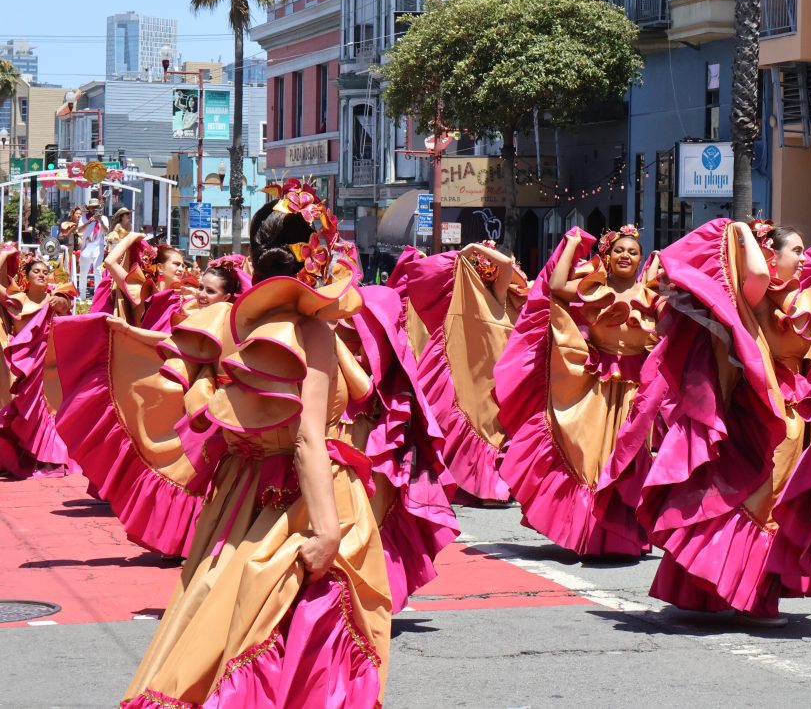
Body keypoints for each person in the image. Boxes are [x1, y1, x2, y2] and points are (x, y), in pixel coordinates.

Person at [51, 178, 451, 706]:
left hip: (241, 493)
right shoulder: (308, 332)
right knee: (304, 643)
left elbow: (208, 407)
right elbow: (311, 437)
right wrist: (329, 529)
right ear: (316, 256)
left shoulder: (232, 324)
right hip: (310, 495)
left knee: (219, 624)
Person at [632, 219, 811, 620]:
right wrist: (743, 227)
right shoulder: (757, 297)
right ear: (771, 258)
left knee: (765, 502)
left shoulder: (804, 301)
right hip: (763, 411)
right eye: (795, 250)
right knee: (759, 502)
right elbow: (758, 273)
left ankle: (727, 591)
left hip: (792, 413)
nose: (803, 256)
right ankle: (752, 597)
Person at [495, 224, 662, 557]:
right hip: (596, 388)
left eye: (633, 252)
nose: (625, 256)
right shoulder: (592, 289)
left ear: (642, 260)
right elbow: (556, 286)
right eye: (619, 251)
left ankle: (625, 536)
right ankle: (590, 533)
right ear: (608, 256)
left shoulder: (651, 297)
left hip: (636, 395)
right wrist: (571, 241)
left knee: (628, 463)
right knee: (590, 460)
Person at [407, 240, 527, 502]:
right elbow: (505, 264)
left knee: (492, 426)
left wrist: (474, 248)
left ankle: (489, 487)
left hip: (495, 369)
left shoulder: (503, 291)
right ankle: (483, 488)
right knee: (484, 425)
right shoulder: (475, 293)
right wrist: (472, 252)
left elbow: (507, 265)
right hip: (479, 367)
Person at [0, 252, 77, 477]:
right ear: (26, 276)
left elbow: (66, 309)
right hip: (21, 368)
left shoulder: (56, 297)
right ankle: (24, 456)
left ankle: (50, 458)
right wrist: (8, 253)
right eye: (36, 271)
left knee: (46, 409)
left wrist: (61, 303)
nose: (42, 274)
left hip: (48, 367)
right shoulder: (17, 300)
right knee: (22, 412)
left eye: (45, 272)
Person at [98, 231, 186, 331]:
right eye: (177, 264)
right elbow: (110, 262)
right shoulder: (139, 290)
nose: (181, 269)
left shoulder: (181, 297)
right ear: (160, 268)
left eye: (183, 266)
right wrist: (131, 237)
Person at [76, 199, 108, 295]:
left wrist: (100, 221)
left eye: (96, 207)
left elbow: (105, 231)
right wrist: (88, 222)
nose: (94, 209)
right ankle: (82, 295)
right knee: (83, 272)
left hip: (98, 247)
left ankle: (98, 294)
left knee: (97, 270)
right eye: (92, 207)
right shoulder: (84, 218)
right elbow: (79, 230)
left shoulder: (104, 218)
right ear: (89, 208)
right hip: (86, 247)